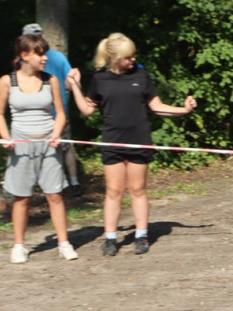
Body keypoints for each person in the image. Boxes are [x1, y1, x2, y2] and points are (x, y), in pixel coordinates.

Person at [66, 33, 197, 256]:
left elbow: (156, 107)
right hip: (112, 142)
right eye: (128, 56)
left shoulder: (141, 76)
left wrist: (184, 110)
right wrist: (75, 86)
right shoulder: (100, 80)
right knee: (113, 191)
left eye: (133, 55)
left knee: (137, 189)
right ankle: (109, 239)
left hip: (139, 142)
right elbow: (87, 110)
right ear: (114, 57)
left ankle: (141, 235)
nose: (133, 60)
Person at [0, 34, 78, 264]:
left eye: (44, 53)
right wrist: (5, 137)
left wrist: (57, 132)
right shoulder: (6, 82)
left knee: (55, 196)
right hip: (21, 146)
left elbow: (60, 113)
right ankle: (19, 246)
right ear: (24, 55)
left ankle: (64, 243)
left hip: (49, 145)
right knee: (22, 198)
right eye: (39, 53)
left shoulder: (51, 80)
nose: (44, 58)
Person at [22, 23, 82, 195]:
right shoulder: (25, 60)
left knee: (65, 146)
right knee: (57, 148)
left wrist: (74, 80)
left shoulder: (55, 57)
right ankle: (65, 182)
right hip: (36, 114)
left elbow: (69, 83)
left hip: (58, 112)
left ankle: (72, 182)